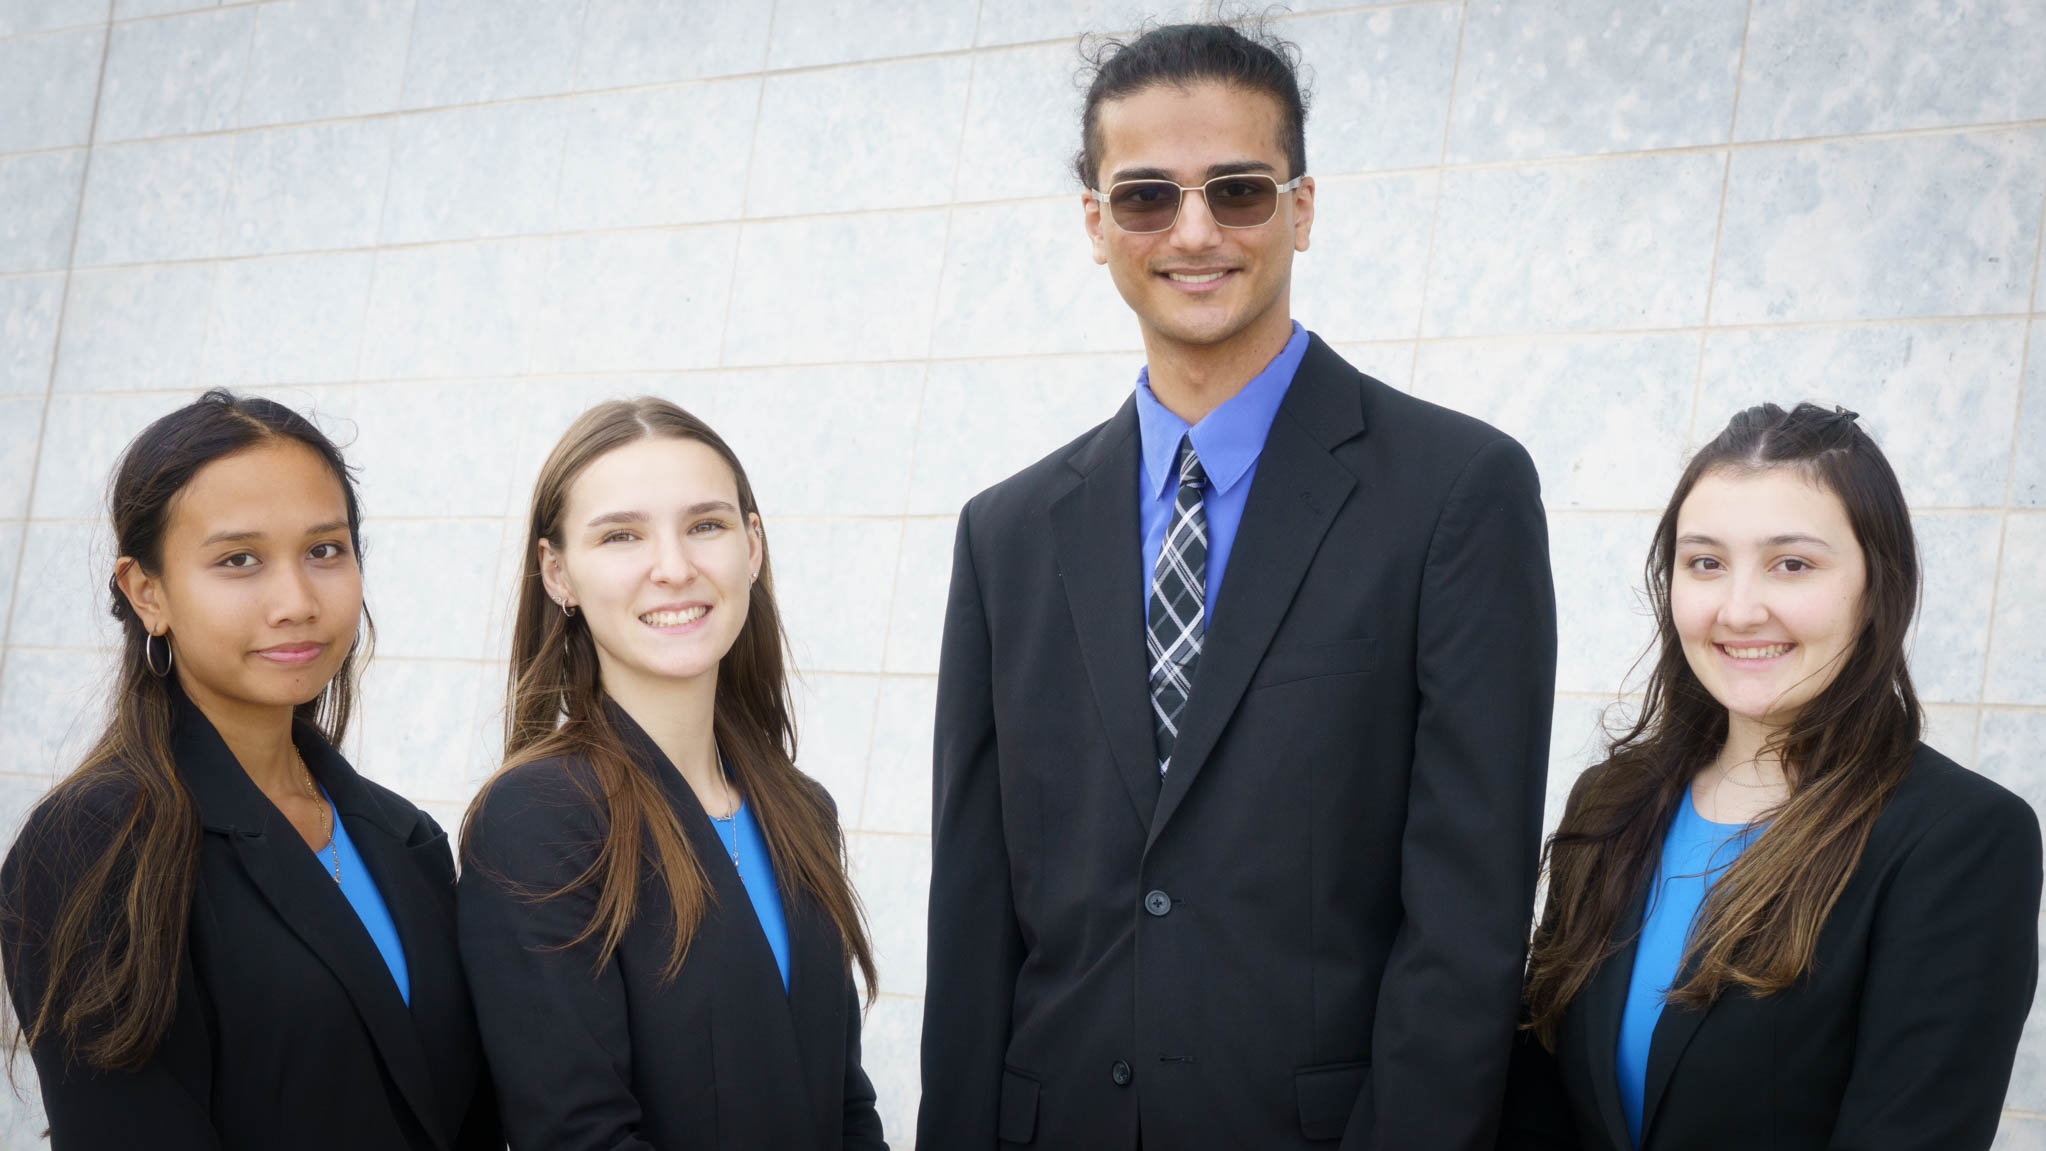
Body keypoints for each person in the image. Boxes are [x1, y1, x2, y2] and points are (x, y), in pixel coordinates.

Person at [918, 21, 1558, 1150]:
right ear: (1097, 224)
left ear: (1302, 209)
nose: (1196, 231)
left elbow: (1466, 923)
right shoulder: (1005, 533)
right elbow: (973, 919)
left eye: (1239, 190)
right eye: (1148, 197)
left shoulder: (1458, 493)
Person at [1500, 402, 2042, 1150]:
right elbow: (1537, 1097)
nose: (1739, 607)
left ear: (1878, 586)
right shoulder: (1615, 802)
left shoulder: (1960, 840)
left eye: (1792, 563)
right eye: (1706, 562)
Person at [0, 390, 500, 1150]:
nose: (296, 600)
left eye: (325, 550)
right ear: (148, 592)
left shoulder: (409, 842)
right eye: (239, 560)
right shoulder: (93, 846)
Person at [457, 397, 885, 1151]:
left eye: (706, 525)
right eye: (622, 535)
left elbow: (844, 1103)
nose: (675, 568)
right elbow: (576, 1136)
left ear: (752, 546)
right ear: (559, 573)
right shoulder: (536, 820)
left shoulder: (799, 810)